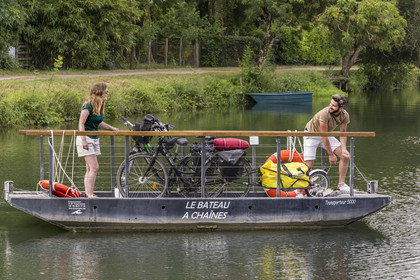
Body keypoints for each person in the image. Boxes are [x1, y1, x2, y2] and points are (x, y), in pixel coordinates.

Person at [76, 83, 119, 198]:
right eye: (106, 92)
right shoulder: (88, 106)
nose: (108, 94)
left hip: (95, 138)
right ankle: (89, 194)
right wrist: (84, 140)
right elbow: (81, 123)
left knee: (90, 168)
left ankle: (88, 192)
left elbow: (98, 122)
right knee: (94, 167)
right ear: (100, 92)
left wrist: (111, 128)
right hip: (86, 138)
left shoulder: (98, 106)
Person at [303, 94, 351, 192]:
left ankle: (341, 185)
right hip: (311, 134)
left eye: (334, 105)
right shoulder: (325, 113)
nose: (330, 106)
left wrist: (344, 148)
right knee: (309, 163)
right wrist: (331, 154)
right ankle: (299, 191)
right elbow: (323, 135)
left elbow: (343, 133)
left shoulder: (345, 115)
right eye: (330, 104)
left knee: (345, 156)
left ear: (340, 108)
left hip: (325, 135)